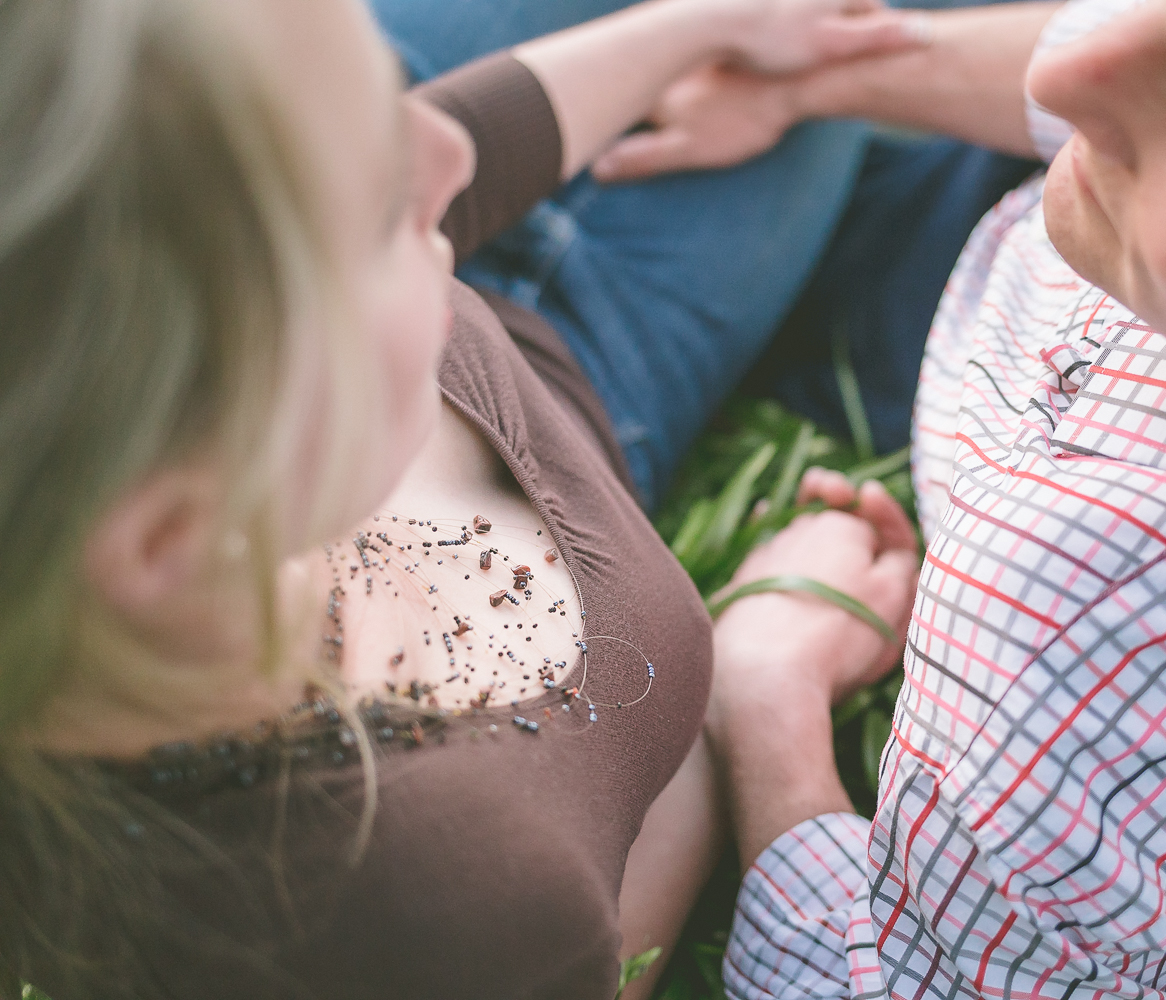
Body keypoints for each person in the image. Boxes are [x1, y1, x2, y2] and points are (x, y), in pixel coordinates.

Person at [0, 0, 940, 997]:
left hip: (476, 291)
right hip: (618, 370)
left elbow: (446, 146)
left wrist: (692, 29)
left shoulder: (197, 356)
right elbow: (606, 937)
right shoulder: (436, 897)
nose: (440, 150)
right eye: (378, 204)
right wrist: (749, 693)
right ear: (180, 532)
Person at [611, 0, 1166, 995]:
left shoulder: (1085, 642)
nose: (1065, 70)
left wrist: (764, 695)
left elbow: (889, 980)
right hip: (1055, 287)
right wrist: (833, 74)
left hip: (878, 324)